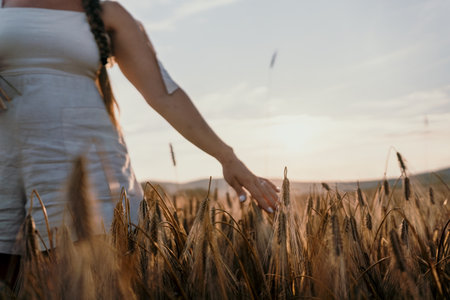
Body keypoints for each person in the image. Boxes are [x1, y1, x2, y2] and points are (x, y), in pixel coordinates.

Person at [0, 0, 279, 287]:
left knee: (87, 283)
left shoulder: (106, 12)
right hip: (6, 164)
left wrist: (227, 156)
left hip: (89, 168)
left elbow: (164, 94)